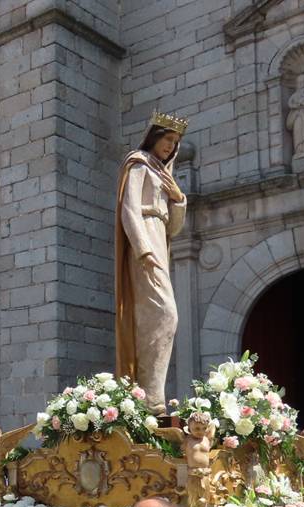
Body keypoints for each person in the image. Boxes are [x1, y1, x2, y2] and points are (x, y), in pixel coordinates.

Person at [115, 111, 187, 420]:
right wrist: (143, 250)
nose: (171, 146)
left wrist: (179, 199)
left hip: (160, 237)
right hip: (144, 243)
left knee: (159, 319)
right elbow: (129, 209)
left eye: (175, 142)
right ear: (155, 137)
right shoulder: (139, 164)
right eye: (168, 139)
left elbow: (174, 228)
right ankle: (149, 397)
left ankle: (150, 395)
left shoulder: (163, 173)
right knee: (164, 313)